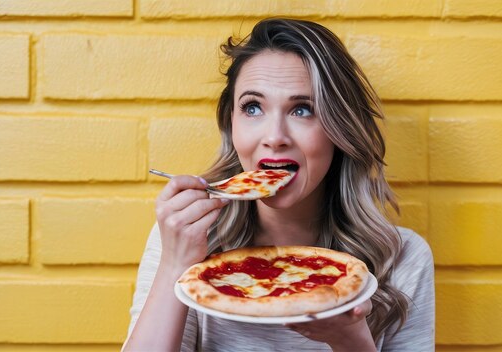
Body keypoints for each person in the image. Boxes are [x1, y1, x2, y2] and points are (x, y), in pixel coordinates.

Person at [123, 18, 434, 351]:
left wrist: (351, 340)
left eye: (302, 110)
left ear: (339, 129)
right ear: (232, 123)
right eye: (253, 107)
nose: (274, 138)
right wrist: (175, 263)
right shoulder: (188, 237)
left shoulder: (401, 258)